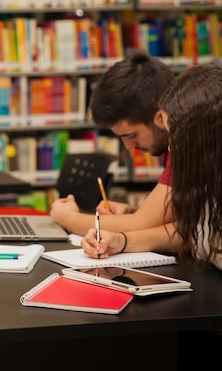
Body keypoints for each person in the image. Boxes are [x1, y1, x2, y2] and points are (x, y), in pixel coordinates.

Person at [82, 64, 222, 269]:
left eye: (176, 137)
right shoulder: (210, 186)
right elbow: (192, 232)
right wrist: (122, 241)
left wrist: (64, 217)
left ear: (203, 140)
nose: (171, 148)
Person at [50, 51, 176, 236]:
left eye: (132, 135)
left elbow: (139, 226)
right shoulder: (167, 141)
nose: (128, 146)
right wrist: (135, 212)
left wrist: (66, 218)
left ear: (160, 118)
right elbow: (177, 222)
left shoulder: (184, 145)